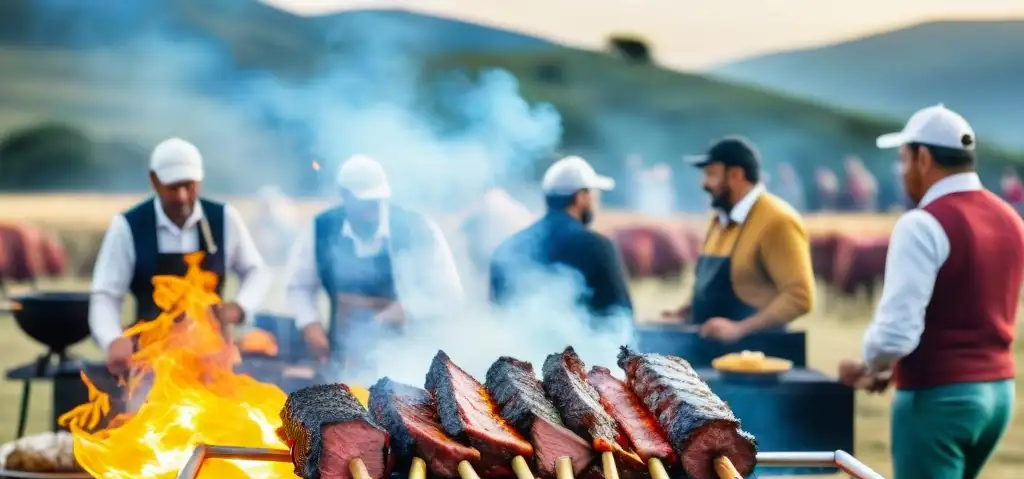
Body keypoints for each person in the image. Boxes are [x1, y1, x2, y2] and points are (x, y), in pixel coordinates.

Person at [838, 105, 1024, 479]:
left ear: (922, 157)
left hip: (940, 398)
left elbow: (898, 331)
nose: (901, 170)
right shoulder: (1009, 217)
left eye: (903, 157)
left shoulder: (923, 223)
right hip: (996, 395)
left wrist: (871, 362)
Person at [90, 138, 271, 374]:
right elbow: (105, 294)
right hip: (150, 362)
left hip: (213, 360)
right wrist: (112, 339)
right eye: (174, 187)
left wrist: (240, 307)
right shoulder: (128, 226)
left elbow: (257, 271)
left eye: (189, 185)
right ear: (154, 181)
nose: (183, 196)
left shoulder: (224, 218)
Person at [286, 154, 463, 366]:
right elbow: (299, 287)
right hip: (341, 360)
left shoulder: (418, 229)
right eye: (364, 201)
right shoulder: (321, 228)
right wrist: (310, 323)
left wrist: (408, 308)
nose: (372, 208)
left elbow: (449, 293)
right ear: (344, 196)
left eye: (377, 200)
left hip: (407, 360)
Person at [662, 137, 814, 343]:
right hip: (709, 347)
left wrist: (741, 328)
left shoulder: (779, 220)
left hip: (758, 354)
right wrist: (685, 313)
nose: (704, 184)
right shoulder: (719, 219)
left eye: (711, 174)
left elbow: (800, 297)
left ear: (736, 175)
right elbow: (712, 287)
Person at [489, 156, 633, 320]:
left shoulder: (507, 250)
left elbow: (497, 319)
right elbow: (620, 316)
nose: (596, 202)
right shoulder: (597, 247)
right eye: (593, 194)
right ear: (581, 197)